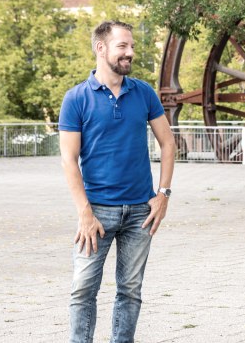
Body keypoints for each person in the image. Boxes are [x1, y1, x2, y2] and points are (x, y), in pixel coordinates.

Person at [58, 20, 176, 343]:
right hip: (96, 213)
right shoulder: (76, 98)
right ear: (101, 48)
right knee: (83, 290)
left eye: (132, 46)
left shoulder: (144, 93)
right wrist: (84, 212)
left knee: (130, 291)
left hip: (141, 211)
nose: (130, 52)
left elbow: (168, 143)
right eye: (123, 46)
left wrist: (163, 194)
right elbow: (69, 159)